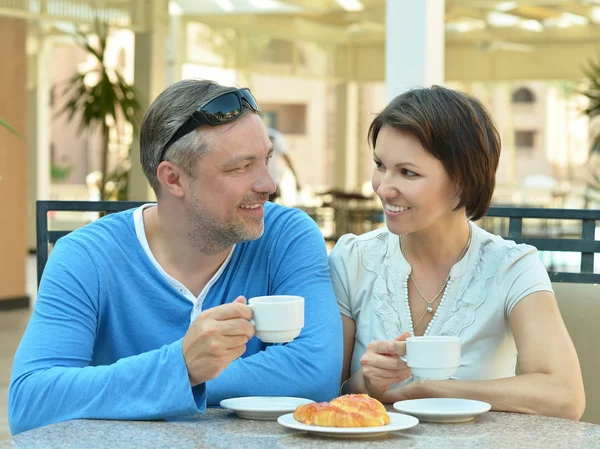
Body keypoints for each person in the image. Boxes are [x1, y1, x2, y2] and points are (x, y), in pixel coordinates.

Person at [9, 79, 343, 434]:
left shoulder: (287, 236)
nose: (268, 184)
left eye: (266, 160)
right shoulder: (87, 256)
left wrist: (180, 378)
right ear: (173, 179)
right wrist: (182, 367)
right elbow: (32, 401)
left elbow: (315, 372)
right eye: (241, 167)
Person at [328, 85, 586, 420]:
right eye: (380, 165)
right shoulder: (353, 259)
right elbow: (322, 388)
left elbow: (565, 397)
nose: (383, 187)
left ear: (463, 180)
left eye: (408, 172)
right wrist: (369, 382)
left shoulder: (512, 267)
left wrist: (439, 390)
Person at [266, 127, 301, 202]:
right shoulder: (274, 136)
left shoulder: (274, 137)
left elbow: (286, 157)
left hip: (269, 183)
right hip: (271, 183)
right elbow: (287, 158)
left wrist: (296, 180)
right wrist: (297, 180)